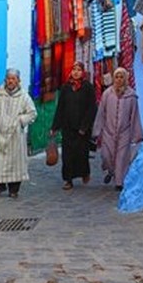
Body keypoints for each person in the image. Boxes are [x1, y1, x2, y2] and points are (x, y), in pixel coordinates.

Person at [0, 69, 37, 198]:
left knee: (15, 163)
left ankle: (13, 189)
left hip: (15, 135)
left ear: (18, 81)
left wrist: (20, 121)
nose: (10, 81)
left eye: (13, 79)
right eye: (8, 78)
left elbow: (32, 113)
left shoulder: (24, 97)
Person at [93, 68, 143, 190]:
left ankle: (119, 182)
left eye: (121, 77)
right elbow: (101, 113)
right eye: (117, 77)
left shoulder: (131, 96)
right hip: (108, 132)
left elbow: (135, 116)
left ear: (125, 78)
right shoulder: (107, 94)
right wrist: (96, 131)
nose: (119, 79)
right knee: (106, 155)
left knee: (122, 158)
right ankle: (111, 170)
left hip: (124, 132)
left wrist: (136, 135)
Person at [50, 62, 97, 191]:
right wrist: (55, 127)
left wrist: (85, 126)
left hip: (82, 129)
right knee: (67, 155)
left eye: (78, 70)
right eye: (74, 69)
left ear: (83, 72)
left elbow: (91, 108)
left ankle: (84, 173)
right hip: (68, 127)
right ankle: (68, 180)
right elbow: (60, 108)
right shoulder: (65, 87)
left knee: (81, 154)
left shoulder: (88, 87)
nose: (76, 72)